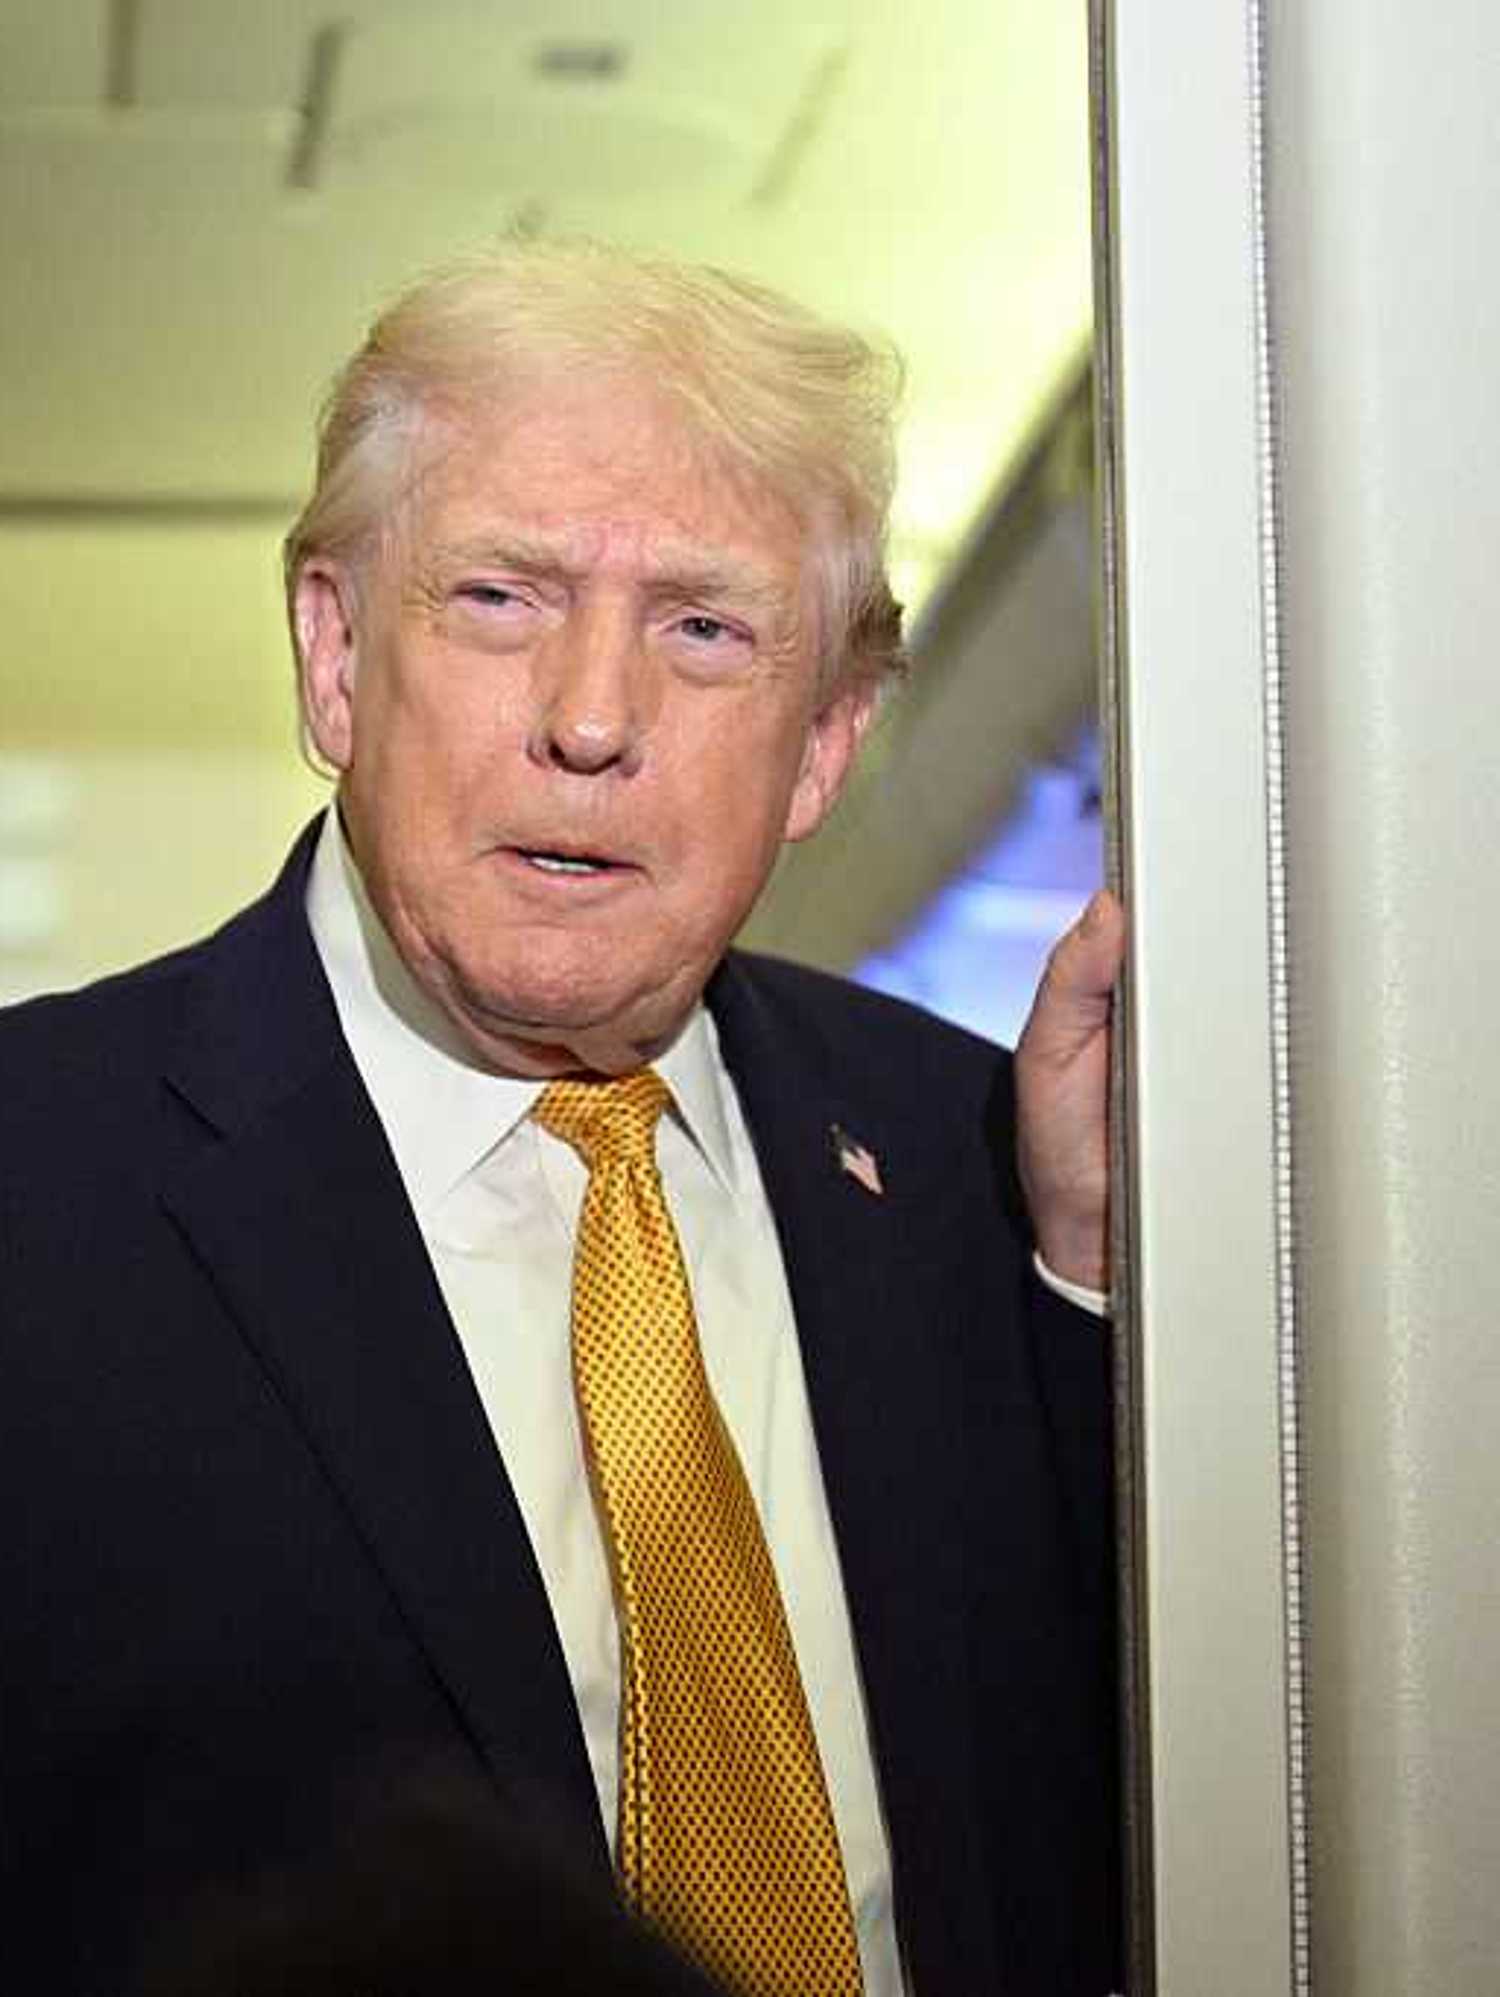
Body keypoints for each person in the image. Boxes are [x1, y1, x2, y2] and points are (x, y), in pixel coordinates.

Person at [0, 239, 1125, 1995]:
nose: (592, 719)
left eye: (703, 627)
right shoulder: (36, 1188)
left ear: (827, 736)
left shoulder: (982, 1164)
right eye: (501, 598)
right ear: (335, 655)